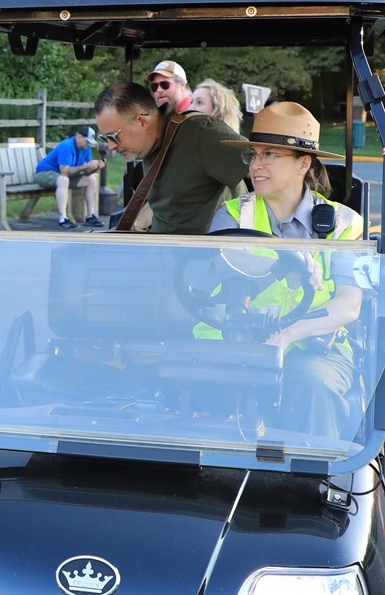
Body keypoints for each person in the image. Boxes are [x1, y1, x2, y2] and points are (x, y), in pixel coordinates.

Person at [209, 101, 364, 438]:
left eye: (270, 155)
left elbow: (349, 305)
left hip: (314, 346)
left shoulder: (344, 223)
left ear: (302, 163)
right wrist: (280, 264)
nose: (256, 166)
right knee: (184, 378)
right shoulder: (233, 214)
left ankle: (312, 483)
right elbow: (221, 267)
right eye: (254, 155)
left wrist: (286, 337)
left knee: (314, 384)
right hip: (235, 339)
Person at [94, 82, 248, 234]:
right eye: (104, 138)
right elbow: (169, 202)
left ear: (142, 122)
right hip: (168, 252)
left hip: (209, 255)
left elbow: (265, 166)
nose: (110, 146)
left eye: (113, 137)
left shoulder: (200, 134)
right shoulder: (150, 144)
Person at [34, 126, 105, 229]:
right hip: (44, 173)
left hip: (65, 177)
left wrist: (96, 167)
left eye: (90, 142)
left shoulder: (86, 148)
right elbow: (64, 171)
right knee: (64, 180)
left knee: (92, 179)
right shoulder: (67, 145)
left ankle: (90, 216)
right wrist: (86, 166)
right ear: (79, 136)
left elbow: (86, 172)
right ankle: (63, 219)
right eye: (87, 141)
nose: (88, 144)